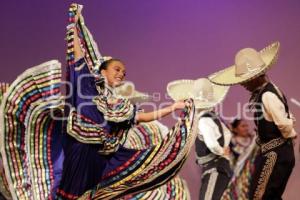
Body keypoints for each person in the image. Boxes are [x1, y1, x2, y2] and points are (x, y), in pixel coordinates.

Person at [0, 3, 196, 200]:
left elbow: (142, 117)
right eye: (117, 69)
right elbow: (77, 55)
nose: (121, 74)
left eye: (124, 72)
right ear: (103, 71)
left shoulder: (119, 105)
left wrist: (172, 107)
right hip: (79, 151)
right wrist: (73, 24)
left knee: (126, 177)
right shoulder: (86, 85)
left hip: (101, 158)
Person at [209, 41, 297, 200]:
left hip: (275, 154)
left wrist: (290, 136)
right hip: (275, 152)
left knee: (262, 195)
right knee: (268, 195)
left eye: (245, 79)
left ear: (256, 77)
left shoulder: (267, 95)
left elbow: (284, 123)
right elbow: (288, 116)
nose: (242, 83)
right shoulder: (269, 91)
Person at [167, 78, 232, 200]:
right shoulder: (213, 117)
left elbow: (212, 144)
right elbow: (227, 133)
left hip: (215, 167)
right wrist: (224, 148)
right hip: (218, 166)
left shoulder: (203, 120)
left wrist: (220, 151)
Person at [221, 119, 258, 200]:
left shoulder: (254, 140)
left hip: (253, 175)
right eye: (243, 126)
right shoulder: (232, 142)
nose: (246, 128)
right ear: (235, 129)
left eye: (247, 126)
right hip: (237, 176)